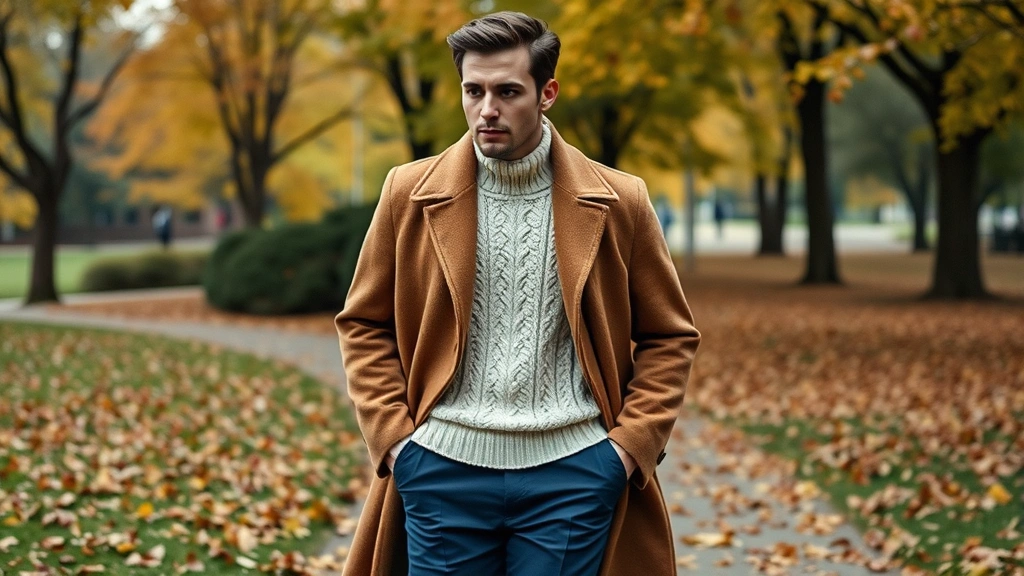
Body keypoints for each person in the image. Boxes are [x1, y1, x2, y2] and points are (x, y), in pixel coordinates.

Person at [335, 11, 700, 576]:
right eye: (473, 91)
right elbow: (363, 323)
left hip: (574, 475)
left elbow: (669, 336)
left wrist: (626, 450)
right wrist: (397, 443)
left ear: (547, 92)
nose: (487, 110)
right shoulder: (408, 193)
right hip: (441, 469)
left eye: (507, 91)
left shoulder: (619, 200)